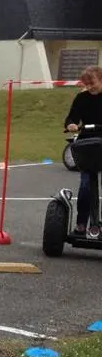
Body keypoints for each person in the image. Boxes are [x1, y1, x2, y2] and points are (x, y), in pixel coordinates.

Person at [64, 65, 102, 236]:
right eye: (86, 83)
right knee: (86, 184)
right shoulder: (81, 98)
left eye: (92, 82)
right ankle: (81, 224)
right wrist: (71, 124)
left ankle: (97, 224)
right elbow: (71, 118)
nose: (89, 86)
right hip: (88, 144)